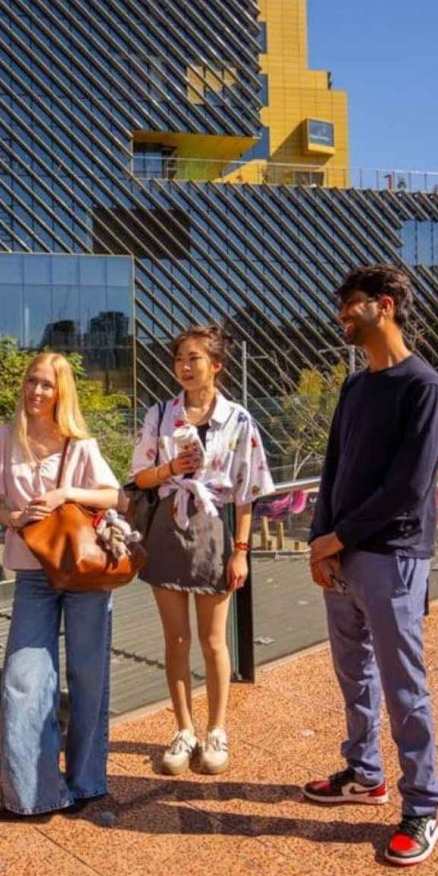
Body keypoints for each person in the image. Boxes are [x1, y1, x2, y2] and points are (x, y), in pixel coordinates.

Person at [305, 265, 438, 867]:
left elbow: (407, 488)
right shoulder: (356, 385)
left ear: (383, 306)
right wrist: (320, 538)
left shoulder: (424, 385)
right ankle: (365, 774)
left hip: (392, 556)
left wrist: (338, 536)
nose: (341, 314)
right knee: (353, 675)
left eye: (350, 304)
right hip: (341, 554)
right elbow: (334, 466)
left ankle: (423, 806)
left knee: (403, 685)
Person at [0, 352, 120, 817]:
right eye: (32, 382)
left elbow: (115, 496)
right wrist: (14, 517)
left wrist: (66, 493)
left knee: (87, 675)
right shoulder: (2, 439)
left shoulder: (79, 444)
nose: (36, 392)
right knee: (24, 679)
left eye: (47, 386)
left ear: (61, 393)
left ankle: (87, 779)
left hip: (83, 572)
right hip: (32, 572)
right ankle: (35, 793)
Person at [130, 324, 274, 775]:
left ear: (216, 365)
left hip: (214, 530)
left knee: (213, 642)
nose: (185, 367)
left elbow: (248, 491)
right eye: (179, 359)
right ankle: (183, 728)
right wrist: (172, 467)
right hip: (168, 530)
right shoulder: (159, 414)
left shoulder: (239, 420)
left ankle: (216, 729)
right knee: (175, 638)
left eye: (194, 358)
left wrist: (242, 550)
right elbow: (138, 477)